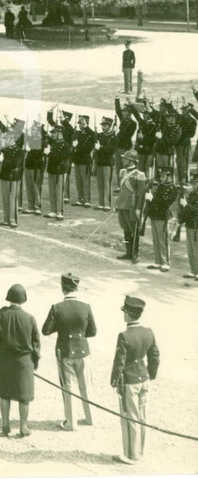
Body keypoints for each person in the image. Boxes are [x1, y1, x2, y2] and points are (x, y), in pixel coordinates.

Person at [42, 273, 96, 431]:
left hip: (65, 350)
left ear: (62, 288)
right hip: (83, 350)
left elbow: (46, 330)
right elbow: (92, 331)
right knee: (86, 385)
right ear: (76, 288)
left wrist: (61, 328)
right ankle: (90, 417)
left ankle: (71, 422)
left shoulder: (57, 308)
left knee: (68, 387)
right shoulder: (86, 306)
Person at [110, 295, 160, 465]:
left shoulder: (124, 335)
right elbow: (155, 356)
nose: (123, 314)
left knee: (130, 417)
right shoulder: (148, 332)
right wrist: (150, 375)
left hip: (130, 381)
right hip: (144, 378)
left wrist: (114, 380)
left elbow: (120, 362)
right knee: (142, 417)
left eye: (125, 312)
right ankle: (140, 451)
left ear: (129, 314)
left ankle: (131, 455)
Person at [0, 284, 40, 438]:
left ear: (9, 298)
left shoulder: (1, 315)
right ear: (23, 300)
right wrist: (35, 361)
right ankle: (23, 426)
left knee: (5, 394)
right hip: (24, 362)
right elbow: (36, 342)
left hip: (5, 359)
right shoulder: (30, 318)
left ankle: (5, 424)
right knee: (24, 396)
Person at [115, 151, 148, 262]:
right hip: (122, 204)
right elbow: (122, 190)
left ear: (131, 161)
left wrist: (139, 208)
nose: (123, 160)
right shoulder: (122, 172)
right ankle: (128, 252)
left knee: (134, 229)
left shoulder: (139, 174)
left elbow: (141, 193)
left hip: (132, 206)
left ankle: (135, 253)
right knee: (125, 228)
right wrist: (117, 202)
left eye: (125, 159)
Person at [145, 166, 177, 272]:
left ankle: (165, 262)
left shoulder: (172, 188)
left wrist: (152, 198)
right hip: (154, 214)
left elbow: (165, 202)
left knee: (163, 240)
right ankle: (157, 261)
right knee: (155, 240)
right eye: (161, 176)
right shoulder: (160, 186)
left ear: (170, 177)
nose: (161, 178)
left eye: (163, 176)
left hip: (162, 216)